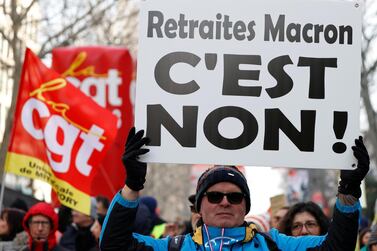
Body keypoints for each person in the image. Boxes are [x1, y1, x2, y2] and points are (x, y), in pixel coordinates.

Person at [99, 128, 370, 251]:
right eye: (215, 196)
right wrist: (132, 186)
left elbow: (336, 247)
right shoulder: (173, 246)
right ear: (200, 206)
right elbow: (114, 245)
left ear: (246, 205)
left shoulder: (274, 244)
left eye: (235, 196)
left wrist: (348, 189)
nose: (225, 202)